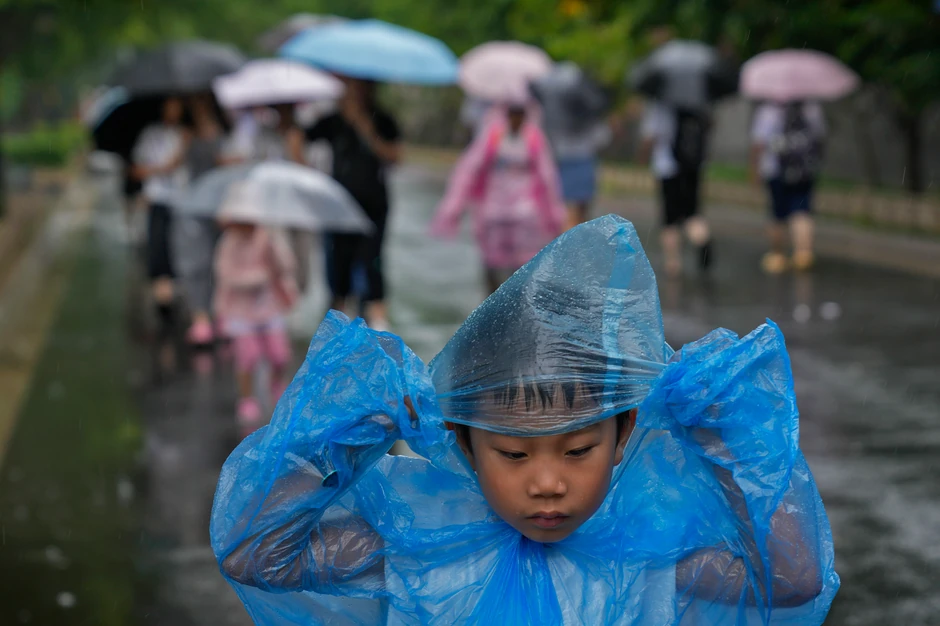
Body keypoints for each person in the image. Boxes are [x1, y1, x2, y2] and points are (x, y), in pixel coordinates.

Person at [210, 215, 839, 624]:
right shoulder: (422, 545)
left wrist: (728, 445)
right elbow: (258, 556)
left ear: (622, 434)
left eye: (577, 450)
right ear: (462, 443)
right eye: (513, 454)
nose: (546, 482)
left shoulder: (648, 556)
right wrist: (350, 441)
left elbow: (793, 579)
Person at [431, 103, 567, 295]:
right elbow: (470, 170)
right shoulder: (493, 137)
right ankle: (490, 303)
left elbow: (547, 177)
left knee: (522, 266)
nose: (516, 119)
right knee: (491, 264)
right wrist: (455, 206)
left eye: (520, 114)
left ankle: (514, 305)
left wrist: (555, 216)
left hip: (524, 213)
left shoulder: (534, 139)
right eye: (513, 114)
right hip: (494, 210)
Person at [306, 78, 402, 331]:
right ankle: (335, 326)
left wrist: (364, 127)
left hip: (373, 205)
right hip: (337, 206)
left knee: (372, 262)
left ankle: (378, 321)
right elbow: (303, 139)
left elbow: (395, 157)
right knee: (338, 267)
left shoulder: (382, 119)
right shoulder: (332, 120)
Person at [212, 183, 298, 436]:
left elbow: (285, 266)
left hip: (269, 307)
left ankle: (276, 381)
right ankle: (247, 397)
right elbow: (225, 275)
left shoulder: (267, 237)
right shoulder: (229, 243)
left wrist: (275, 248)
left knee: (279, 353)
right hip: (241, 311)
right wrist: (256, 277)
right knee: (247, 356)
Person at [174, 93, 232, 347]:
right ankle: (201, 317)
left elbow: (228, 162)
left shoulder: (225, 131)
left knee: (222, 260)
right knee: (196, 261)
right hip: (194, 203)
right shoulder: (184, 133)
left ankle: (223, 313)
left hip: (222, 203)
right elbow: (174, 164)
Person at [131, 96, 190, 329]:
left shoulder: (188, 134)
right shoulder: (150, 135)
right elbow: (137, 169)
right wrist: (161, 169)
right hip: (158, 200)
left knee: (181, 252)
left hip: (183, 202)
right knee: (160, 252)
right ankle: (164, 308)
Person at [638, 100, 714, 278]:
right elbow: (709, 126)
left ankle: (673, 264)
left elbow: (650, 136)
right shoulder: (697, 103)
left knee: (669, 218)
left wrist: (641, 156)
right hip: (693, 167)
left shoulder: (659, 106)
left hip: (666, 167)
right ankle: (702, 237)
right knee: (692, 212)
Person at [750, 101, 826, 274]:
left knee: (778, 214)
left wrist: (754, 170)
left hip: (775, 169)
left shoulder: (768, 111)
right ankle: (803, 254)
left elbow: (758, 143)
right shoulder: (812, 108)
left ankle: (777, 256)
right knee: (802, 210)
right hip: (804, 170)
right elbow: (820, 138)